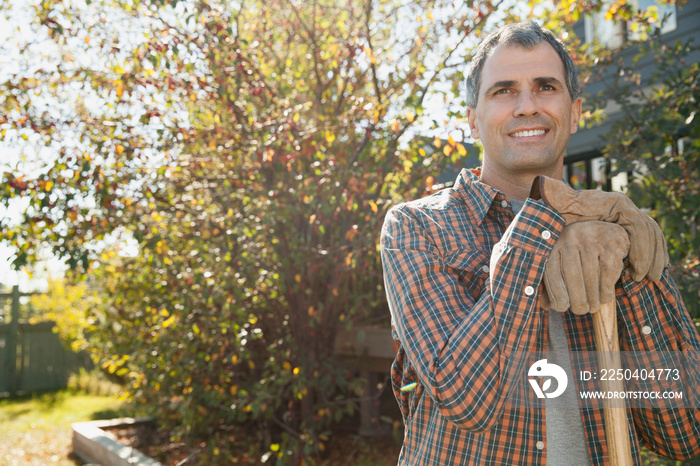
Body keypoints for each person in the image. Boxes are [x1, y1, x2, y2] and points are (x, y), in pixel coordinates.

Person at [380, 21, 700, 465]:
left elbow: (686, 434)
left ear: (575, 112)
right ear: (473, 120)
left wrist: (630, 275)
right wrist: (549, 222)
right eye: (504, 90)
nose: (527, 106)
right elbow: (464, 400)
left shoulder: (619, 229)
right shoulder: (417, 228)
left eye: (546, 86)